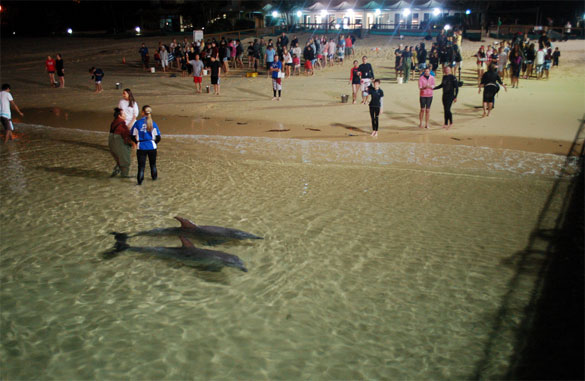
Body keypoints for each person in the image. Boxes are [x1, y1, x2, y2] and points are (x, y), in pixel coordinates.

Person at [131, 105, 161, 185]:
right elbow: (158, 137)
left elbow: (132, 135)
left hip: (141, 146)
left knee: (141, 167)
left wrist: (137, 142)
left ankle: (139, 184)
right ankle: (154, 182)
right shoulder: (153, 123)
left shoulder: (137, 123)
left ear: (142, 112)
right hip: (152, 146)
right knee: (153, 165)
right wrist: (154, 143)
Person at [109, 108, 132, 177]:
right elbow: (126, 136)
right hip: (118, 143)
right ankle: (124, 178)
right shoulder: (122, 125)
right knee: (125, 162)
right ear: (120, 116)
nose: (125, 115)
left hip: (112, 144)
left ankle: (115, 174)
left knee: (119, 161)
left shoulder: (114, 122)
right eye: (124, 114)